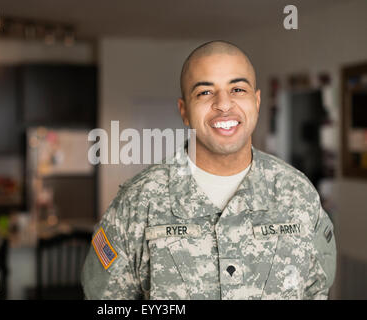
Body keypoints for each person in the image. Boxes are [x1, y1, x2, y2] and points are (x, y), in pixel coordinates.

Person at [81, 40, 337, 300]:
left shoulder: (298, 194)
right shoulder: (137, 203)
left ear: (257, 102)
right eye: (204, 92)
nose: (224, 104)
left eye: (237, 89)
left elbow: (317, 291)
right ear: (184, 111)